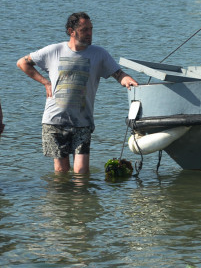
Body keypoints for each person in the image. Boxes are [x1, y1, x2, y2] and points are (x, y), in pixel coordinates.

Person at [17, 12, 138, 174]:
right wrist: (45, 82)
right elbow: (23, 63)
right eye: (84, 29)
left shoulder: (99, 54)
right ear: (71, 31)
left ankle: (81, 199)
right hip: (55, 121)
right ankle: (62, 200)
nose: (89, 33)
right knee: (61, 172)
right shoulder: (54, 50)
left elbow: (118, 74)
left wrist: (128, 80)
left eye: (91, 29)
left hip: (83, 122)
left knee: (82, 173)